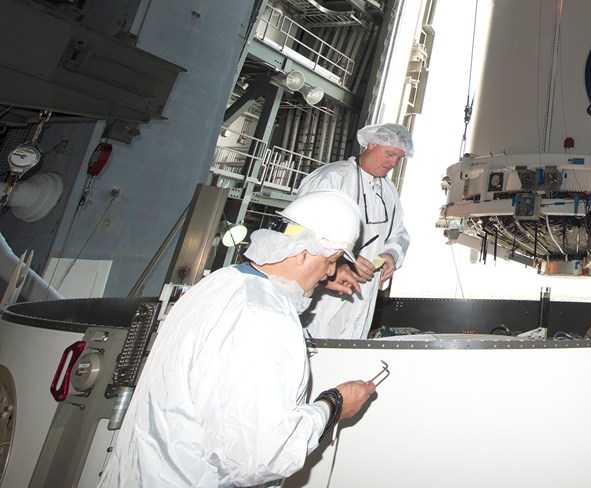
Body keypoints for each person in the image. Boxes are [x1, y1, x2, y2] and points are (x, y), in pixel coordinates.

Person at [97, 190, 377, 486]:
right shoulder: (264, 316)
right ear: (305, 252)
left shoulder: (221, 283)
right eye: (331, 260)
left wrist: (318, 280)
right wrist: (332, 405)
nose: (331, 271)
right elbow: (261, 455)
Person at [298, 123, 413, 339]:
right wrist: (337, 265)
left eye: (399, 158)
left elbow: (398, 233)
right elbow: (301, 235)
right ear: (371, 144)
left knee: (349, 352)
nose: (393, 163)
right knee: (315, 345)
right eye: (390, 154)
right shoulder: (333, 177)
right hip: (325, 289)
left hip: (364, 293)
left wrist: (391, 255)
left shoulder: (388, 190)